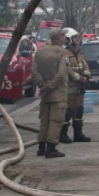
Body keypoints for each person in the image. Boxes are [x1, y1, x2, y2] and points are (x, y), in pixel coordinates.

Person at [33, 29, 70, 158]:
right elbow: (61, 73)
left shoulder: (40, 52)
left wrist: (43, 85)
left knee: (44, 120)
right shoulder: (63, 53)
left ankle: (41, 147)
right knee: (56, 120)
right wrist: (50, 86)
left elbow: (35, 71)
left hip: (45, 93)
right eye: (63, 35)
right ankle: (51, 148)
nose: (65, 37)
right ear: (59, 38)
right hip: (58, 92)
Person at [59, 30, 92, 144]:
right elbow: (66, 69)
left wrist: (86, 76)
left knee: (79, 110)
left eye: (77, 38)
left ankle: (78, 134)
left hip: (80, 87)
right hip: (70, 86)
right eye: (74, 38)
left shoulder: (79, 52)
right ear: (68, 39)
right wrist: (78, 77)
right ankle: (62, 134)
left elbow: (85, 65)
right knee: (68, 110)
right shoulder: (64, 53)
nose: (77, 40)